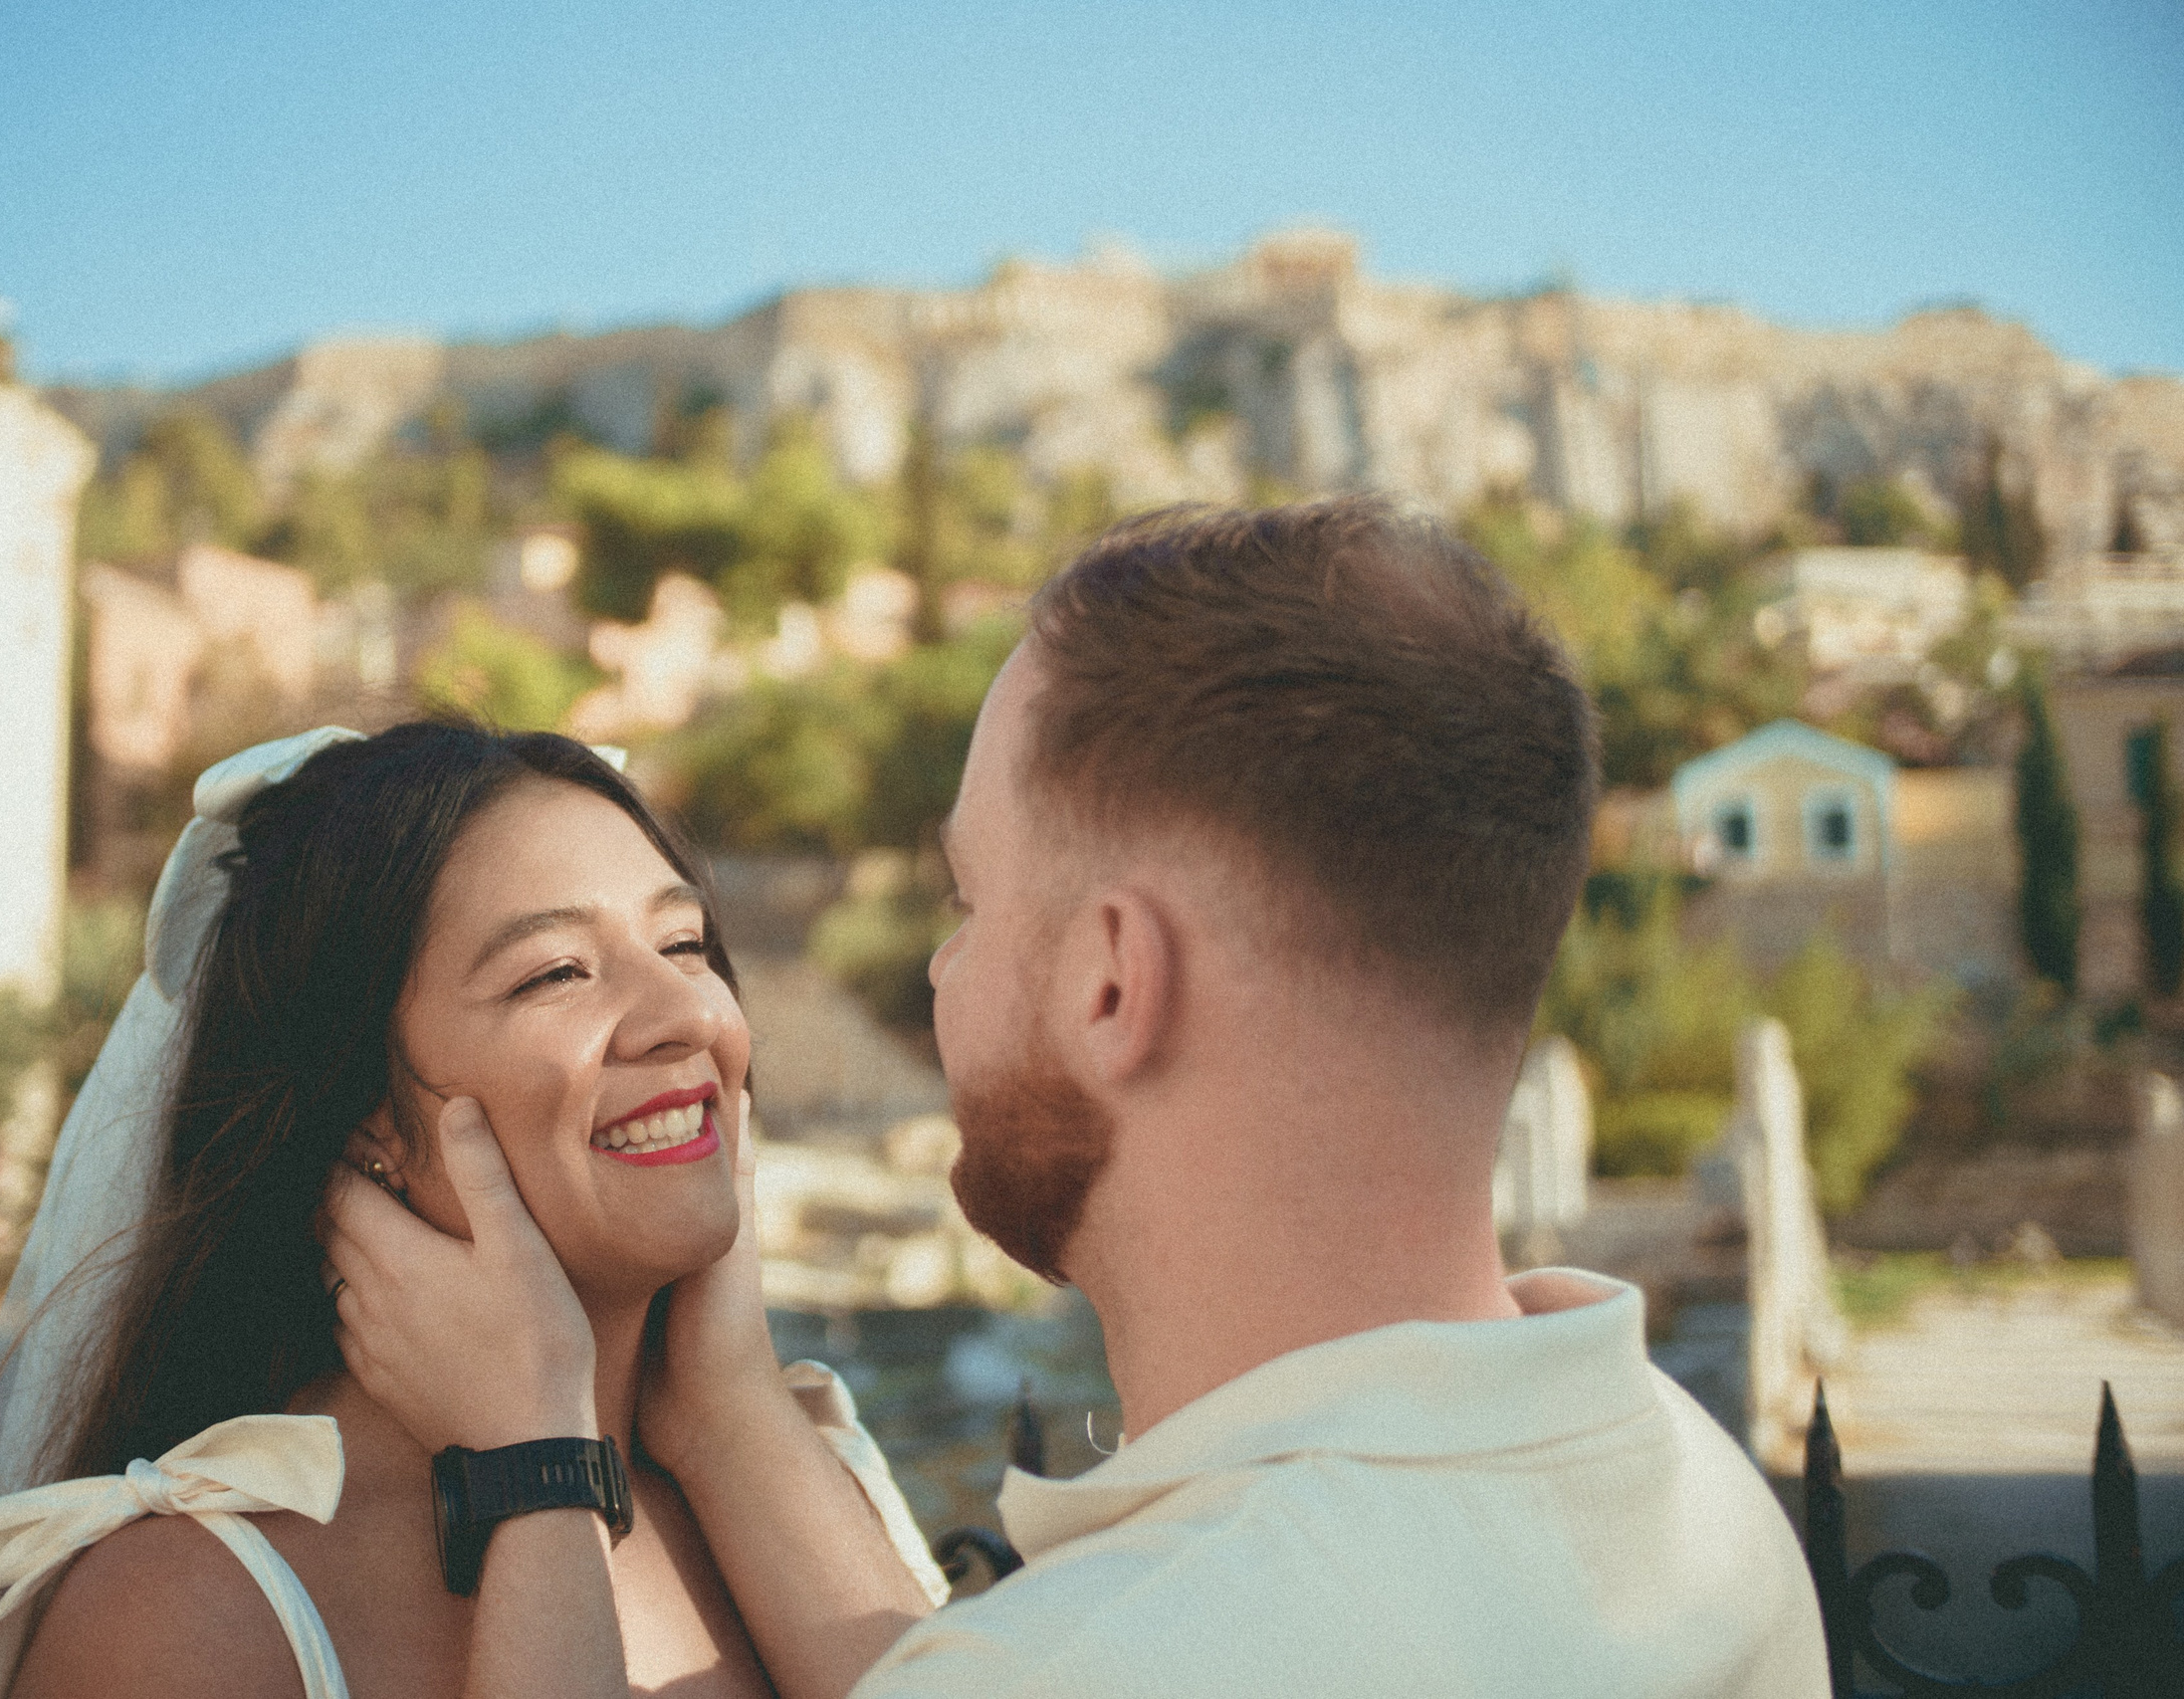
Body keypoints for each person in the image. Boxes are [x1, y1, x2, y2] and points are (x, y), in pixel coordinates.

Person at [328, 498, 1834, 1698]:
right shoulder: (1692, 1499)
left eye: (970, 903)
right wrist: (725, 1413)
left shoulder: (1118, 1660)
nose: (940, 969)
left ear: (1113, 980)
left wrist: (535, 1463)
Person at [0, 724, 947, 1699]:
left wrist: (732, 1404)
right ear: (364, 1113)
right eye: (556, 972)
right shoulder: (186, 1614)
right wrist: (536, 1465)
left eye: (683, 943)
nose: (688, 1013)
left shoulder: (796, 1482)